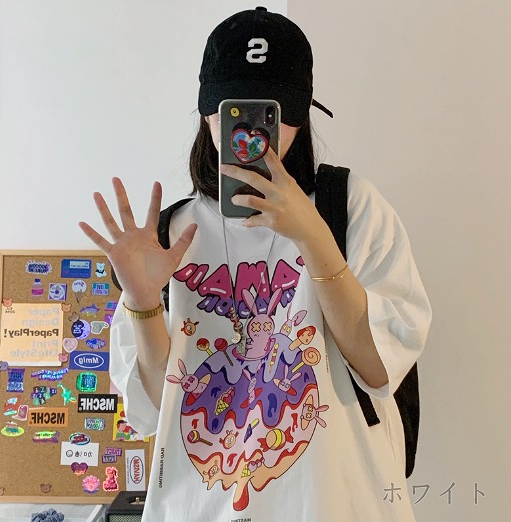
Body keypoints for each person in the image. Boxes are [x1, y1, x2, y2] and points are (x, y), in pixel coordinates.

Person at [79, 7, 431, 521]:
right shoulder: (169, 237)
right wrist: (142, 302)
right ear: (207, 112)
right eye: (233, 109)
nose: (252, 133)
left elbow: (380, 371)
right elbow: (155, 411)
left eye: (272, 111)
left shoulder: (349, 206)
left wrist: (314, 237)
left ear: (302, 116)